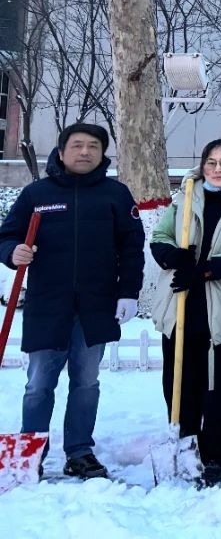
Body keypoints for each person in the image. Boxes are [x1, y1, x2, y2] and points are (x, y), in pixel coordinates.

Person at [0, 122, 144, 480]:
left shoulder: (115, 194)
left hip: (96, 306)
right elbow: (7, 235)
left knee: (86, 383)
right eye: (77, 145)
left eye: (93, 146)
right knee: (38, 384)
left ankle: (79, 451)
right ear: (61, 151)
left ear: (102, 153)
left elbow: (132, 248)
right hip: (47, 306)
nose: (85, 152)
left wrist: (129, 291)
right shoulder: (37, 194)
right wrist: (12, 251)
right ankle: (31, 451)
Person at [149, 138, 221, 487]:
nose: (218, 169)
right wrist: (173, 256)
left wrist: (203, 270)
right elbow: (161, 235)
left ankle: (217, 454)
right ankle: (185, 445)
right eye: (211, 162)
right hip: (182, 304)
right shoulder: (186, 196)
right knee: (180, 381)